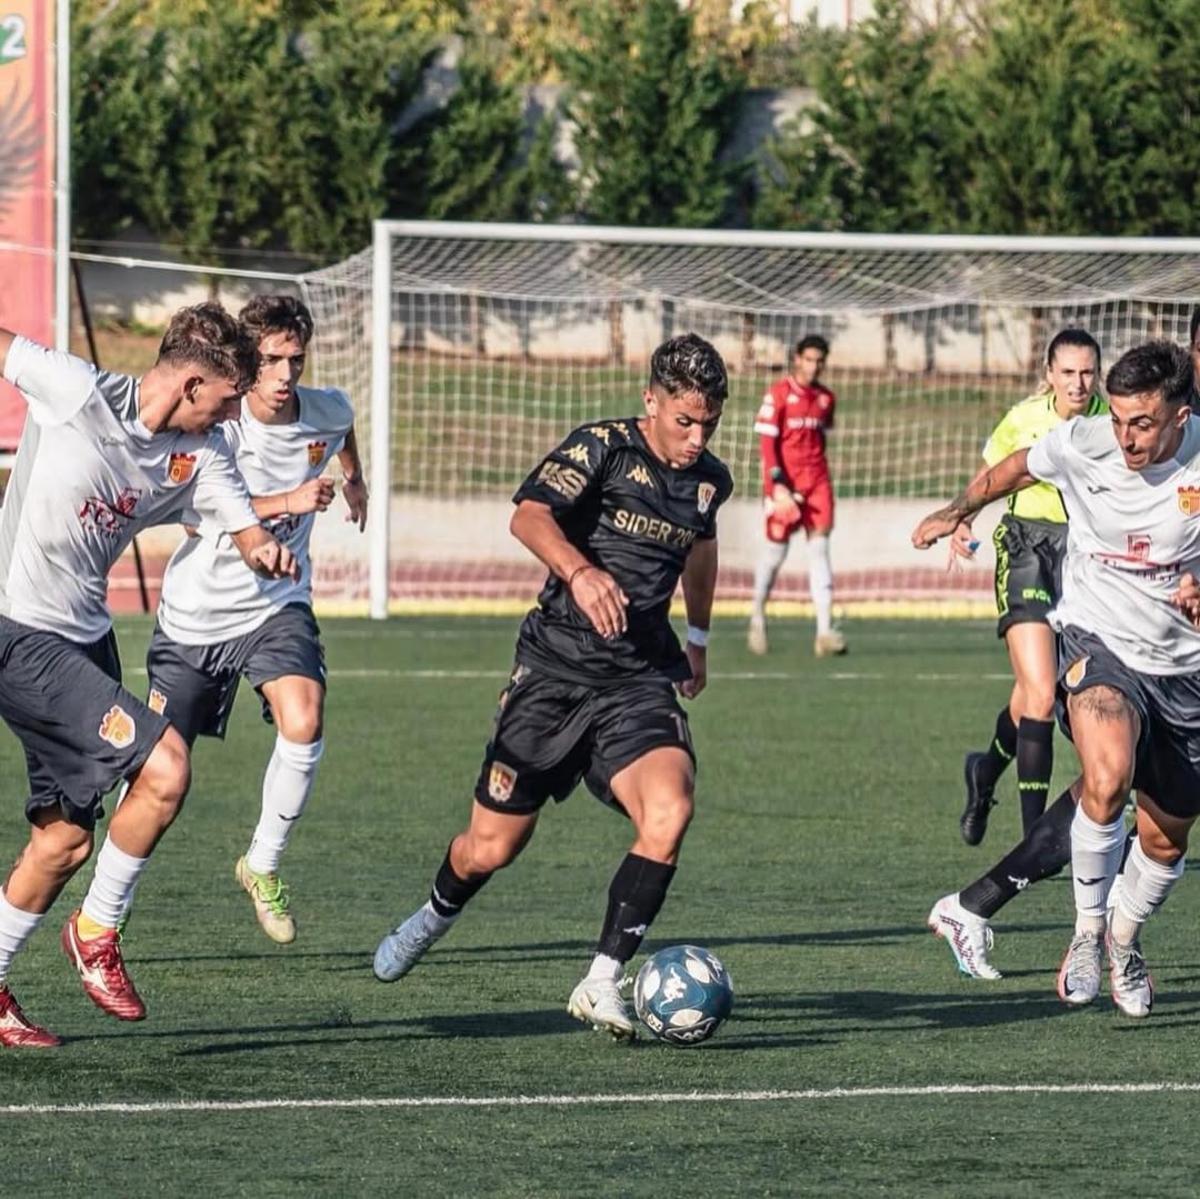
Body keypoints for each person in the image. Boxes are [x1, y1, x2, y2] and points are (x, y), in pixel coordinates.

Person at [372, 332, 733, 1040]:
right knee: (490, 847)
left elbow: (701, 548)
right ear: (650, 401)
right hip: (554, 673)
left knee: (670, 810)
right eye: (683, 422)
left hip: (637, 679)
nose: (695, 439)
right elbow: (529, 514)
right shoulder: (599, 447)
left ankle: (600, 980)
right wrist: (581, 570)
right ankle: (433, 914)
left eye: (708, 425)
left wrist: (697, 638)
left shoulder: (709, 480)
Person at [0, 304, 298, 1048]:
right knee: (167, 767)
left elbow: (244, 521)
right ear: (194, 383)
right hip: (16, 630)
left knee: (64, 840)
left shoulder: (204, 452)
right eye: (230, 398)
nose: (238, 414)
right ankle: (96, 931)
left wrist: (264, 546)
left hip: (87, 641)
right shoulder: (74, 389)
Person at [915, 339, 1200, 1018]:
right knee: (1106, 773)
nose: (1126, 437)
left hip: (1184, 670)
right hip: (1099, 644)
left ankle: (1123, 942)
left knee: (1165, 838)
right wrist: (959, 510)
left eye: (1143, 423)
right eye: (1121, 418)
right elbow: (1016, 466)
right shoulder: (1087, 440)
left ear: (1181, 419)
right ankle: (1084, 933)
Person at [133, 295, 366, 945]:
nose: (285, 374)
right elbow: (190, 510)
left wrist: (356, 481)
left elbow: (342, 431)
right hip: (196, 618)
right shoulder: (218, 424)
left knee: (306, 716)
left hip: (277, 607)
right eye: (270, 360)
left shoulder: (328, 408)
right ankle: (107, 906)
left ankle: (261, 864)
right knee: (154, 779)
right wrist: (289, 499)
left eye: (295, 358)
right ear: (247, 360)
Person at [951, 330, 1106, 846]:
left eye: (1087, 371)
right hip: (1027, 551)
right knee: (1041, 693)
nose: (1078, 383)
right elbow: (991, 477)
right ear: (1049, 375)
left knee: (1032, 691)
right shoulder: (1024, 419)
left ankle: (986, 771)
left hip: (1083, 559)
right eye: (1068, 372)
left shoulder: (1112, 420)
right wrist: (960, 519)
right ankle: (1034, 838)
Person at [747, 335, 845, 658]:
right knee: (775, 555)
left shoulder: (826, 399)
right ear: (797, 358)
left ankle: (824, 632)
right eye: (809, 359)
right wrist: (777, 485)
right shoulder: (777, 395)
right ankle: (758, 615)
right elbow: (767, 446)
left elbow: (820, 439)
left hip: (817, 483)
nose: (814, 366)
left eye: (819, 360)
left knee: (820, 551)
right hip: (784, 485)